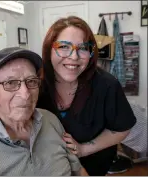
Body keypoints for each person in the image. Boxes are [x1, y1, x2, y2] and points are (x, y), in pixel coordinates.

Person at [0, 47, 88, 176]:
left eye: (32, 81)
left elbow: (78, 170)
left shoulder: (50, 120)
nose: (25, 93)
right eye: (10, 83)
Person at [36, 16, 137, 176]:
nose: (74, 57)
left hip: (93, 166)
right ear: (49, 50)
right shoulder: (35, 85)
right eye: (63, 46)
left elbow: (122, 129)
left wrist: (84, 149)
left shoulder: (106, 85)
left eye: (83, 48)